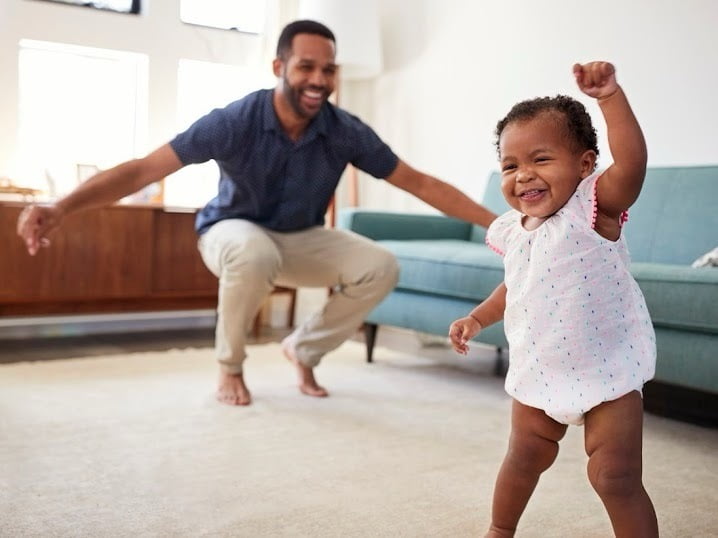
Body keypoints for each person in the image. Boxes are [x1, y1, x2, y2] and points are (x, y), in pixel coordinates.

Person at [16, 20, 496, 407]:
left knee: (380, 265)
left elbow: (418, 182)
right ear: (278, 65)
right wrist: (61, 207)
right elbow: (144, 169)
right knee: (252, 251)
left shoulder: (344, 130)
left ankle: (303, 349)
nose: (319, 80)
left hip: (299, 237)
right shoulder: (234, 121)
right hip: (230, 232)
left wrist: (496, 223)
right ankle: (229, 365)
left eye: (328, 70)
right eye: (307, 66)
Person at [448, 61, 658, 537]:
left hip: (607, 368)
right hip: (540, 366)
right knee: (523, 457)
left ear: (585, 165)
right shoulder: (513, 231)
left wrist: (609, 99)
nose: (523, 176)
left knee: (615, 476)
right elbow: (517, 285)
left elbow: (633, 165)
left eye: (541, 160)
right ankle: (500, 530)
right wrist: (478, 320)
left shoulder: (593, 209)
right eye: (510, 165)